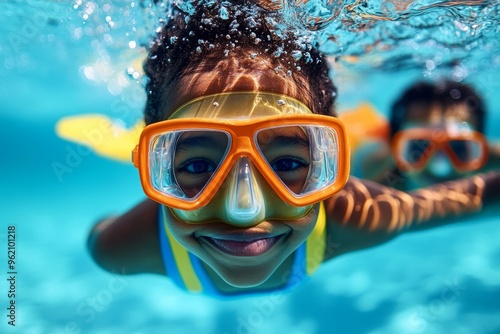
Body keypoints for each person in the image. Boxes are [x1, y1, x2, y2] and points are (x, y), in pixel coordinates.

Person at [87, 0, 500, 298]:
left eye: (286, 163)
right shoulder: (119, 247)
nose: (243, 210)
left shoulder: (355, 215)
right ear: (152, 172)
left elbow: (475, 196)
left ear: (326, 165)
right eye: (196, 164)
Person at [352, 80, 500, 190]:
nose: (440, 168)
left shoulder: (487, 158)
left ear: (481, 151)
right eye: (419, 147)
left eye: (458, 148)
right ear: (395, 152)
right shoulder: (374, 178)